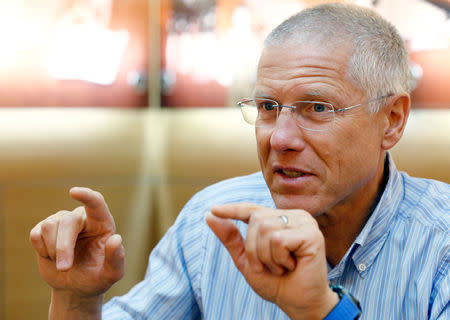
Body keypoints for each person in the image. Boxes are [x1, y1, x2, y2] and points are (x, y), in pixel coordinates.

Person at [30, 3, 449, 320]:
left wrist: (322, 310)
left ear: (392, 121)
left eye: (317, 108)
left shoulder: (440, 242)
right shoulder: (214, 223)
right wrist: (77, 299)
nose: (280, 138)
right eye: (268, 106)